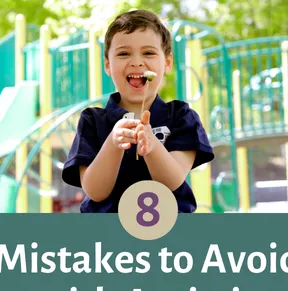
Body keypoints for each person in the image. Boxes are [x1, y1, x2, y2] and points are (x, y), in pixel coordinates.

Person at [62, 9, 214, 213]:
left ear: (167, 63)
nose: (136, 61)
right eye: (124, 53)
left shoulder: (181, 116)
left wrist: (152, 147)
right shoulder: (92, 121)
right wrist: (113, 145)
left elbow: (173, 180)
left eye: (148, 53)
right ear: (108, 65)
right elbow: (95, 191)